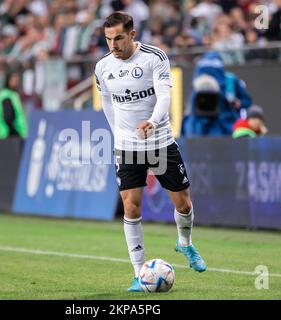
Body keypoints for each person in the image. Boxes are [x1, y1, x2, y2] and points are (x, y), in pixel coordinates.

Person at [94, 12, 207, 292]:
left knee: (183, 204)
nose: (113, 44)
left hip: (160, 141)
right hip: (128, 146)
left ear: (132, 34)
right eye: (108, 39)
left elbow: (165, 96)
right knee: (131, 207)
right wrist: (116, 133)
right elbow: (107, 103)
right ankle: (138, 273)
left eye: (118, 37)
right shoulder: (102, 68)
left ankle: (186, 244)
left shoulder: (154, 58)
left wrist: (153, 122)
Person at [182, 51, 252, 136]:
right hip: (200, 126)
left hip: (223, 126)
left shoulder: (230, 80)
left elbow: (247, 101)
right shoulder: (198, 82)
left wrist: (238, 103)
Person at [0, 72, 28, 138]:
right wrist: (16, 133)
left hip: (9, 134)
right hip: (6, 134)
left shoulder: (13, 94)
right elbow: (8, 118)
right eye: (13, 81)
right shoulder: (6, 95)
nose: (16, 83)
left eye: (17, 81)